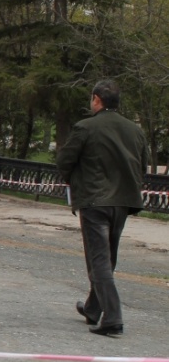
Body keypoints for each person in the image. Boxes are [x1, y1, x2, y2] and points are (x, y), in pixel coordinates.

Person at [56, 80, 149, 337]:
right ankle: (93, 308)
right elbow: (143, 164)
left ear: (97, 99)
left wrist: (71, 180)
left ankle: (113, 317)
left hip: (94, 200)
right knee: (108, 256)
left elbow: (65, 160)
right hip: (123, 201)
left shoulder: (85, 127)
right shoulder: (134, 130)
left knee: (98, 259)